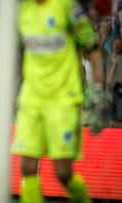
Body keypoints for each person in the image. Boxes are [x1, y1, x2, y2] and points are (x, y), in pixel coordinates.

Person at [11, 1, 108, 203]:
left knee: (63, 172)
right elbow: (20, 53)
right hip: (31, 98)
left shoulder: (68, 8)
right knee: (27, 168)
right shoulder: (24, 10)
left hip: (63, 99)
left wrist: (98, 90)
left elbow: (93, 49)